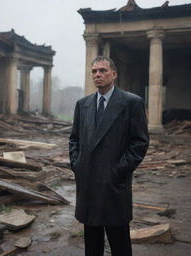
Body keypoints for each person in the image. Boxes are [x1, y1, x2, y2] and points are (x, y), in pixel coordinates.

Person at [69, 56, 149, 256]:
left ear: (114, 74)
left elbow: (139, 143)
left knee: (119, 242)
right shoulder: (83, 104)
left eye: (103, 70)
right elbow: (74, 139)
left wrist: (117, 171)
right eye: (94, 71)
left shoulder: (131, 102)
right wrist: (77, 164)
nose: (98, 75)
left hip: (114, 184)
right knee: (92, 244)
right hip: (88, 183)